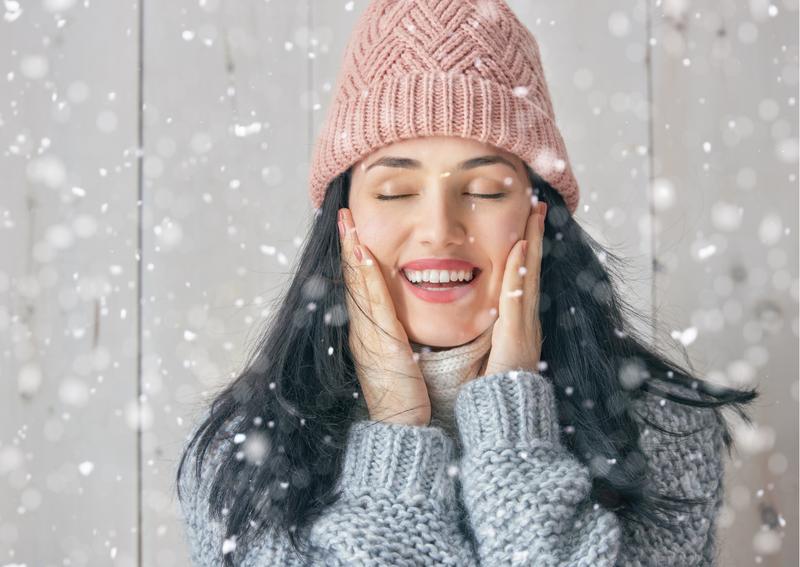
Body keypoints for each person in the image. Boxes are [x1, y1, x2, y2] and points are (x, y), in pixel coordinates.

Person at [174, 1, 760, 565]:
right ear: (341, 221)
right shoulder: (243, 456)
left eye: (483, 191)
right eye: (396, 192)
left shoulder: (662, 430)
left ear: (539, 215)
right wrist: (396, 434)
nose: (438, 230)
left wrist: (514, 425)